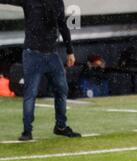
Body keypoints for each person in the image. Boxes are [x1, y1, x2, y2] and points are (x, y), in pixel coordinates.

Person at [0, 0, 81, 141]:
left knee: (61, 90)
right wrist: (69, 51)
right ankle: (27, 131)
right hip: (33, 54)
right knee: (31, 93)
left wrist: (70, 51)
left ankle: (60, 127)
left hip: (50, 54)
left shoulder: (56, 2)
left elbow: (62, 25)